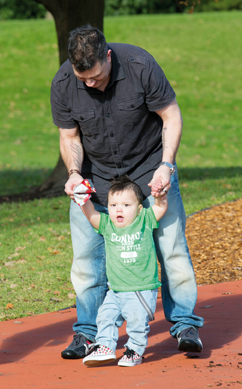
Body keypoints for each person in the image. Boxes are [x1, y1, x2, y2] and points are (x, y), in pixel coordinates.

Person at [50, 24, 204, 360]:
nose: (89, 84)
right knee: (87, 262)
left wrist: (167, 165)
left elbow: (171, 115)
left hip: (150, 170)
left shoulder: (140, 65)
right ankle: (88, 333)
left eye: (95, 76)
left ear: (107, 55)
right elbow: (70, 138)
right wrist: (74, 174)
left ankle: (184, 324)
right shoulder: (64, 84)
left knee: (172, 250)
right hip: (96, 179)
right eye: (83, 78)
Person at [77, 175, 167, 367]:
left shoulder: (144, 219)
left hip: (140, 288)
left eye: (126, 205)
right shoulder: (107, 225)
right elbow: (92, 214)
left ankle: (135, 350)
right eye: (113, 205)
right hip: (115, 290)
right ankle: (105, 347)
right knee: (105, 317)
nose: (119, 209)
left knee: (136, 323)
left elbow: (160, 208)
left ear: (139, 208)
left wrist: (160, 195)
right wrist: (82, 200)